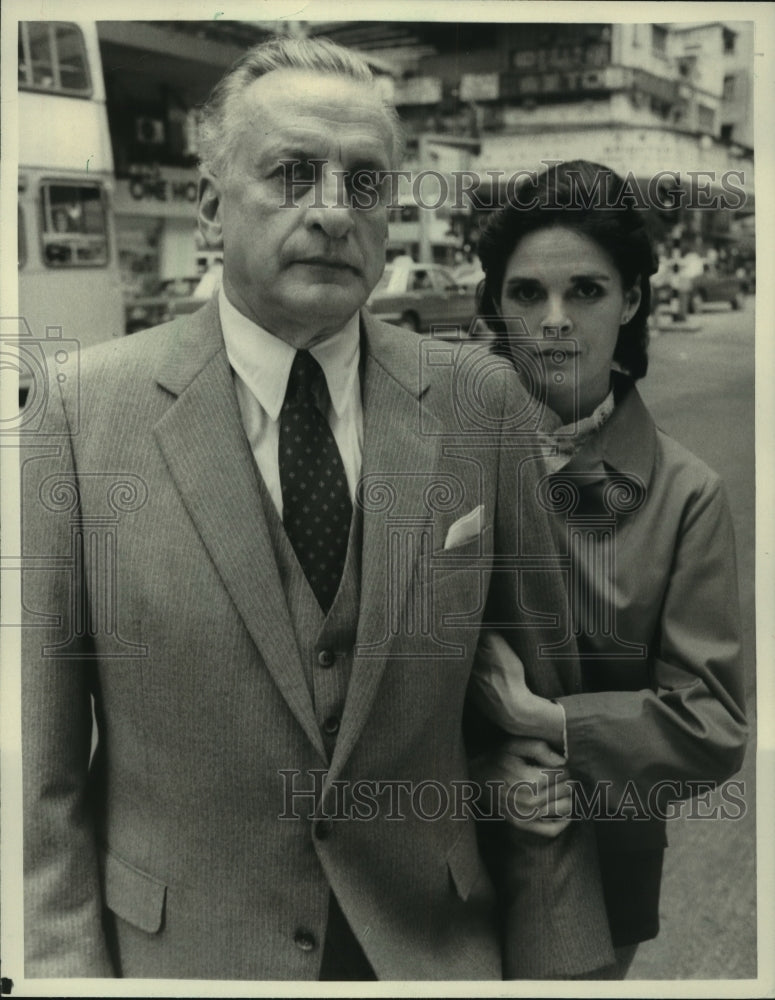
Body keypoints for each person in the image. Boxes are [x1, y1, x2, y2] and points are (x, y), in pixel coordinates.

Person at [21, 43, 612, 981]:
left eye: (365, 182)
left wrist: (558, 963)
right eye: (293, 173)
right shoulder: (80, 413)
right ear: (211, 204)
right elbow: (37, 775)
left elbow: (537, 718)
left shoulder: (478, 400)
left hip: (435, 950)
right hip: (182, 959)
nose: (334, 209)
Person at [468, 159, 748, 978]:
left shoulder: (686, 493)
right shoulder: (432, 456)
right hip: (430, 862)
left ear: (629, 300)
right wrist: (471, 773)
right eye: (526, 294)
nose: (553, 321)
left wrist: (545, 722)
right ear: (496, 305)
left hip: (596, 864)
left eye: (584, 292)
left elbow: (712, 724)